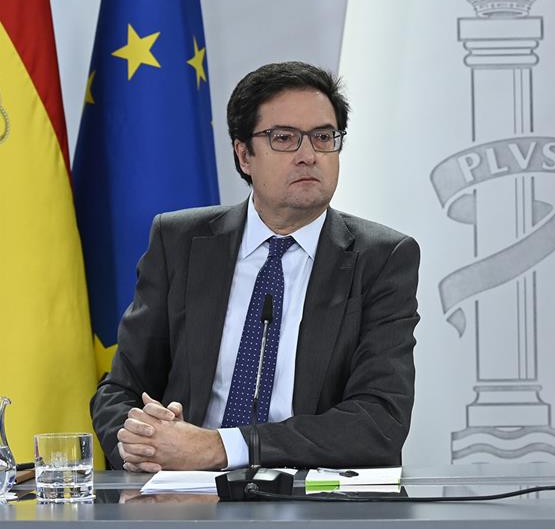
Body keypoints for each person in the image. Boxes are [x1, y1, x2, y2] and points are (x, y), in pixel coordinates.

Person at [92, 61, 420, 472]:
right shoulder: (179, 242)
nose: (308, 156)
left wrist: (221, 447)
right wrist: (140, 441)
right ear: (244, 154)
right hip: (183, 492)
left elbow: (379, 422)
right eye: (284, 138)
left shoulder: (382, 258)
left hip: (312, 496)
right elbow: (119, 391)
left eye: (323, 137)